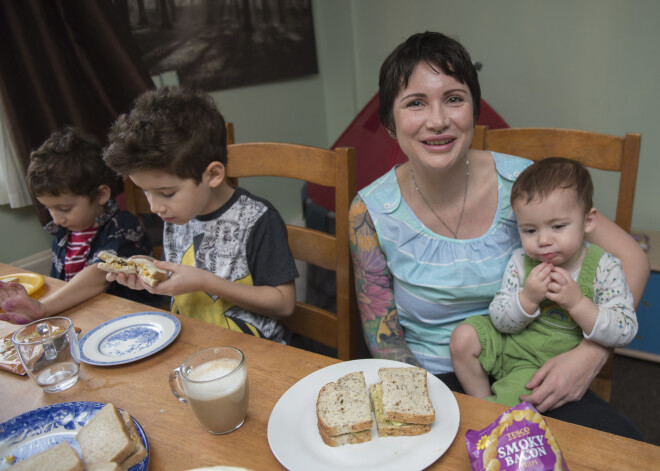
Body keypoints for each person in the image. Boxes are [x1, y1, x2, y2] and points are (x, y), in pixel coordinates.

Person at [349, 31, 649, 438]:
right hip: (432, 379)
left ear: (473, 110)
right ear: (389, 121)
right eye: (415, 103)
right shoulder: (368, 212)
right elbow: (383, 339)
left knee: (627, 452)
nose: (437, 121)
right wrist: (431, 409)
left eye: (454, 98)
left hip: (534, 370)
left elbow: (632, 258)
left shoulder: (523, 184)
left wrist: (590, 355)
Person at [102, 86, 299, 344]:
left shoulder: (257, 219)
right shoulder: (176, 213)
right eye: (145, 192)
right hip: (190, 343)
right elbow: (183, 284)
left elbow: (284, 304)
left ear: (213, 175)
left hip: (254, 353)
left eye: (167, 193)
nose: (154, 207)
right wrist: (153, 277)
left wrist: (209, 283)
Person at [449, 157, 638, 407]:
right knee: (463, 338)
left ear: (588, 220)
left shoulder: (605, 268)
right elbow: (499, 319)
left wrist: (578, 303)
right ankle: (481, 402)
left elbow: (624, 329)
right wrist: (526, 299)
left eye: (558, 226)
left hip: (539, 363)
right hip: (507, 341)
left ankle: (495, 412)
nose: (543, 240)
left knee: (514, 397)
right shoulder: (521, 261)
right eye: (529, 230)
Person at [0, 126, 158, 324]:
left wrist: (43, 308)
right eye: (49, 208)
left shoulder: (124, 227)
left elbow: (99, 272)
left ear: (101, 195)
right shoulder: (64, 233)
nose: (56, 219)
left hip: (129, 318)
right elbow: (61, 282)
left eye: (64, 209)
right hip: (81, 314)